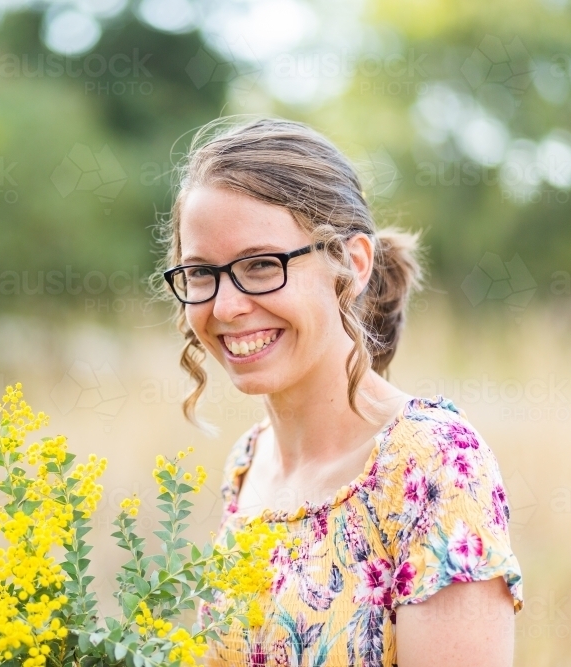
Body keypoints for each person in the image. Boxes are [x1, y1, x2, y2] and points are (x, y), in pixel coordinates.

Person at [152, 117, 523, 667]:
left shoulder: (433, 465)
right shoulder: (248, 462)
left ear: (352, 264)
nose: (226, 306)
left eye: (260, 265)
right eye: (202, 273)